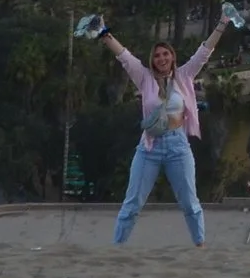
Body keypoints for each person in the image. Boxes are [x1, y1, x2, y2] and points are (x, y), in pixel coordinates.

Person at [95, 13, 230, 246]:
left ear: (172, 56)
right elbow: (124, 57)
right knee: (133, 202)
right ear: (152, 59)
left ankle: (200, 245)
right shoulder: (144, 78)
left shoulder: (185, 75)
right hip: (149, 147)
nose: (161, 58)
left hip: (178, 145)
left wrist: (222, 23)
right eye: (157, 55)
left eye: (165, 53)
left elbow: (204, 52)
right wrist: (104, 33)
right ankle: (117, 248)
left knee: (189, 201)